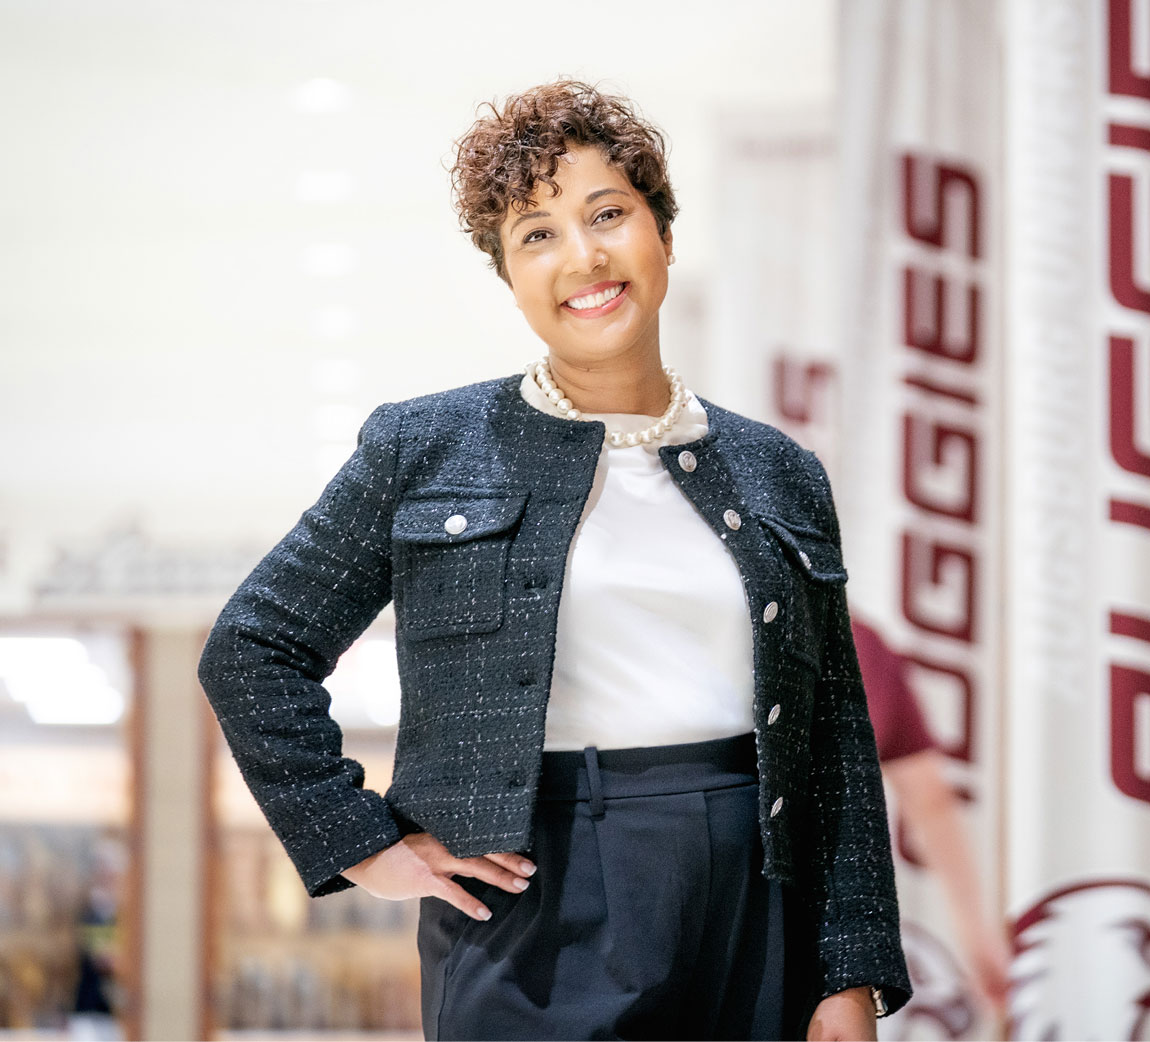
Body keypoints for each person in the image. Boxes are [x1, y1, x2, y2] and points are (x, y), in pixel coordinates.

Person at [197, 80, 909, 1041]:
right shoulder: (426, 447)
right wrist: (359, 842)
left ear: (662, 230)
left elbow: (833, 740)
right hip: (532, 902)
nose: (584, 257)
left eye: (608, 213)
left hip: (754, 888)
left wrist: (850, 969)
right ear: (508, 273)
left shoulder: (778, 470)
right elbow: (252, 647)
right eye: (537, 234)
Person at [849, 614, 1011, 1034]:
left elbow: (929, 799)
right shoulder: (864, 641)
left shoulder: (743, 621)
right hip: (836, 931)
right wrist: (978, 936)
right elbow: (930, 801)